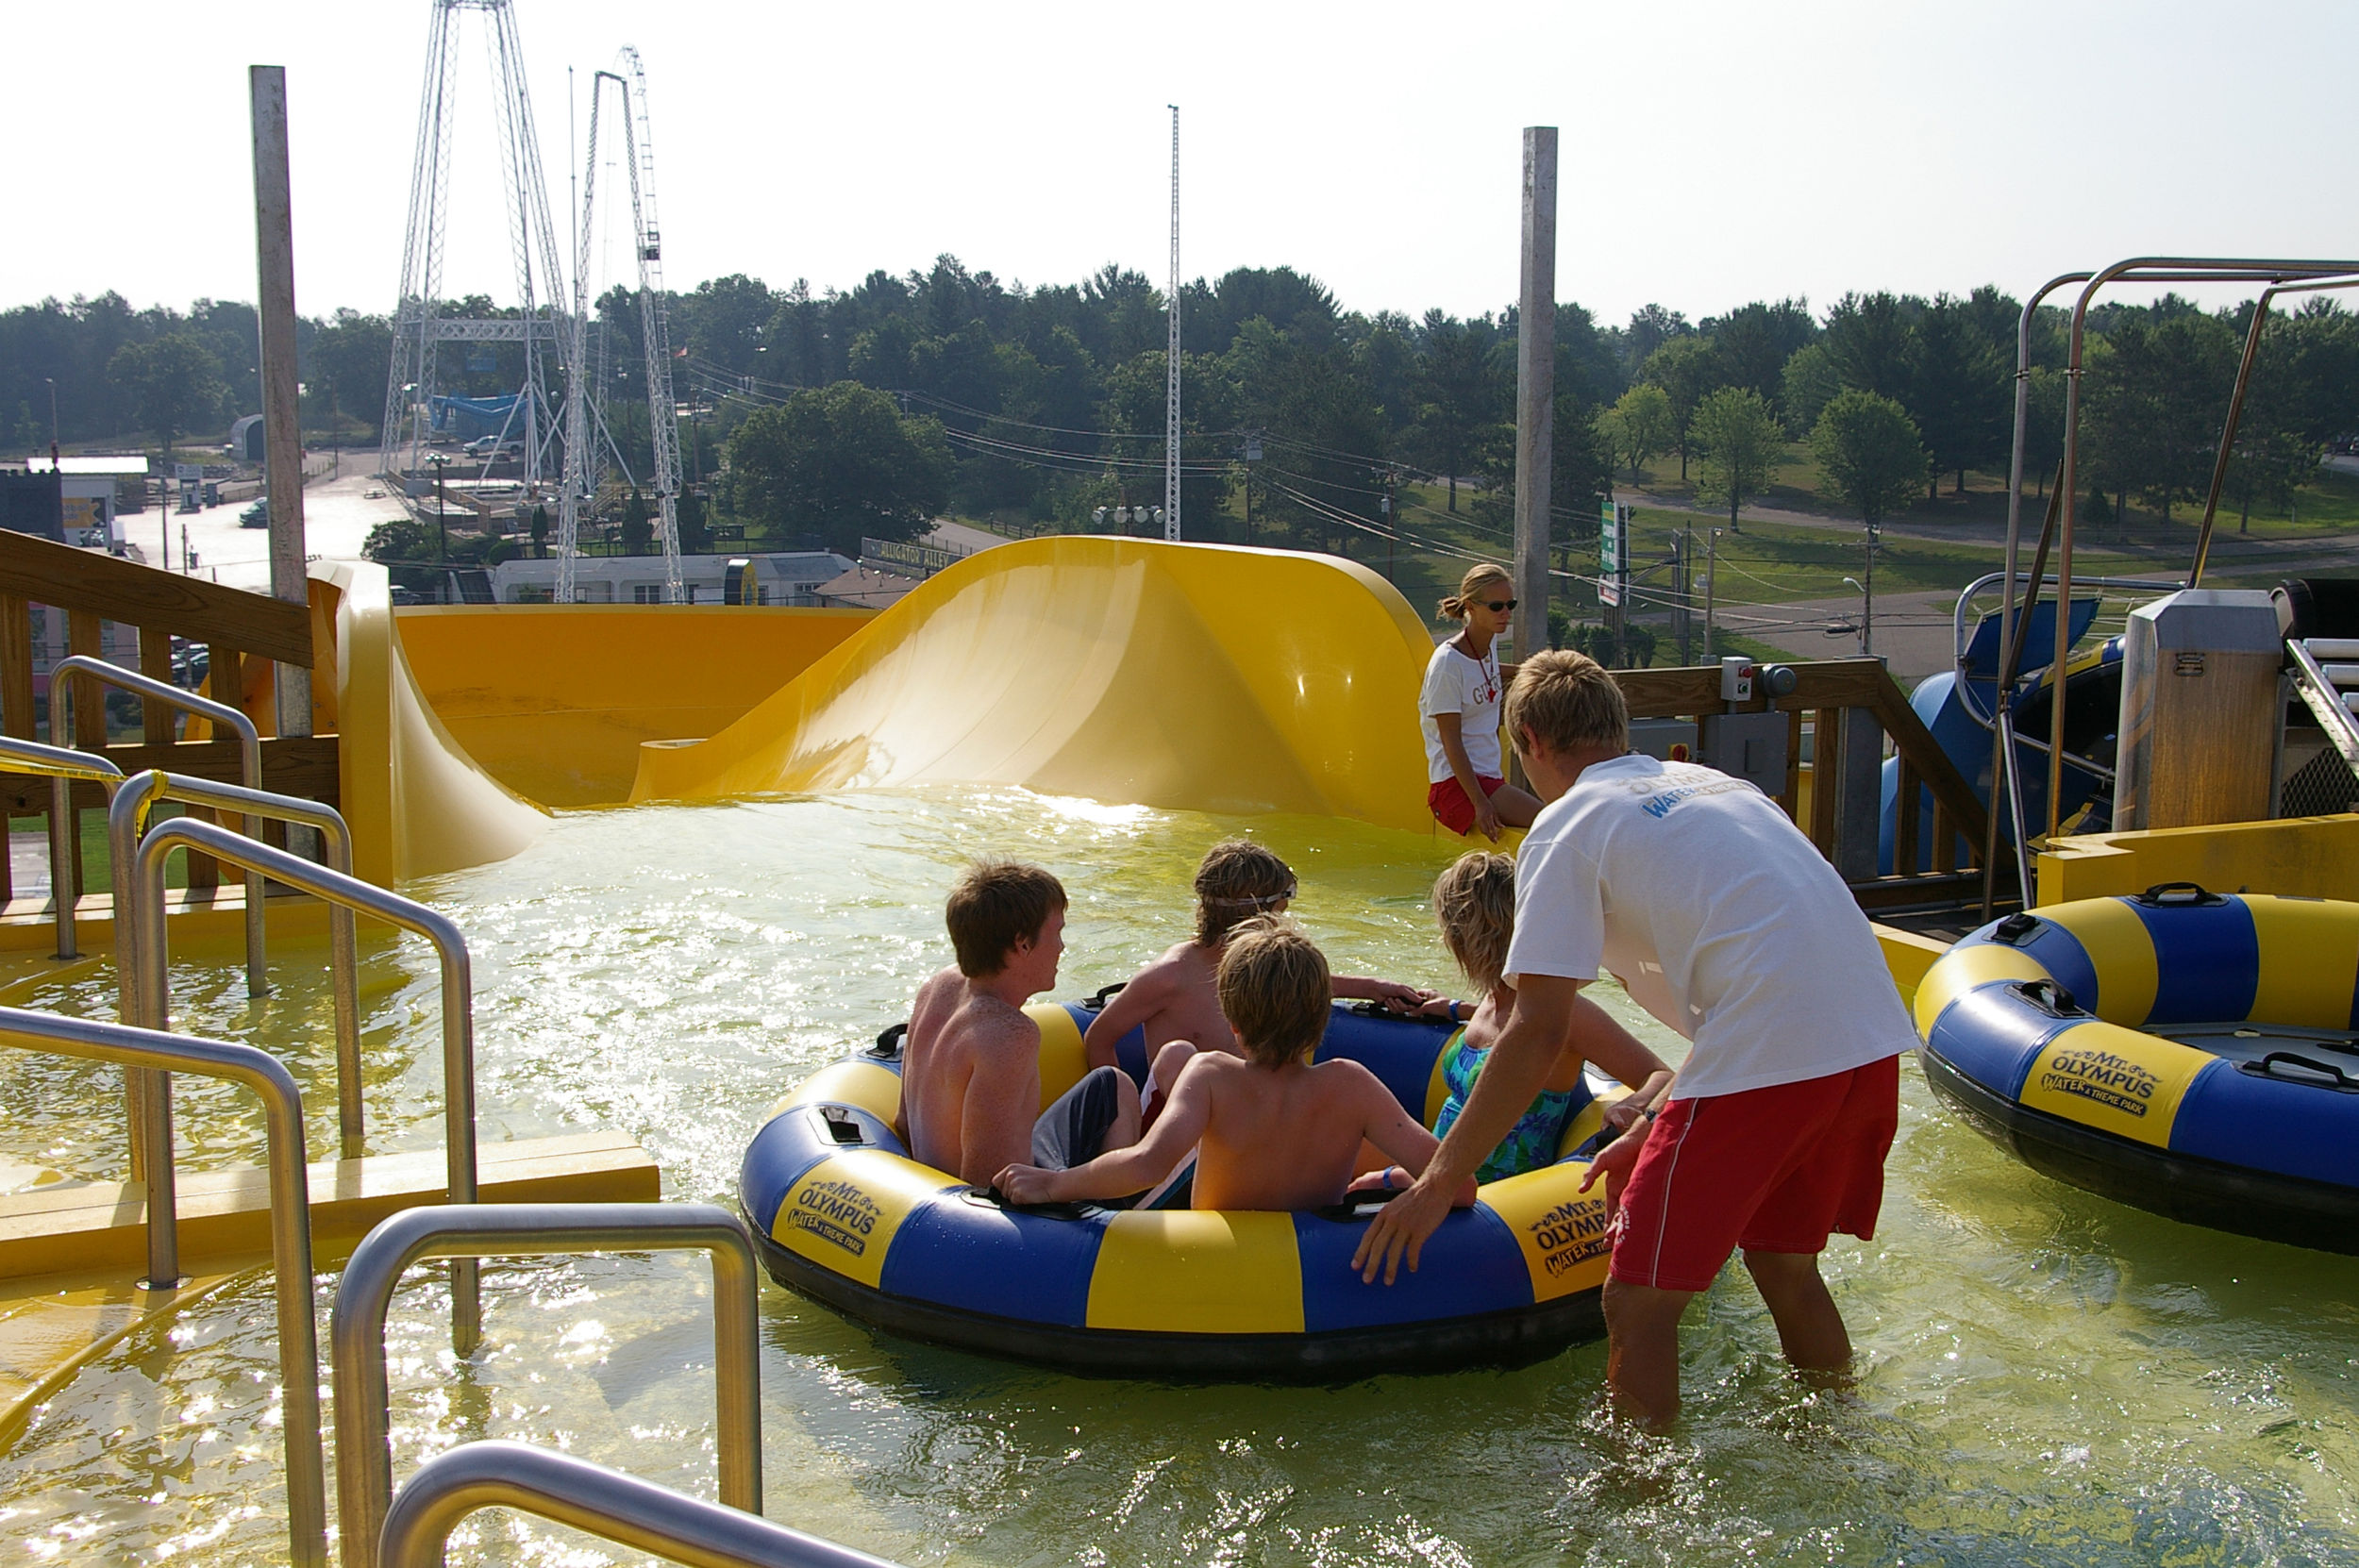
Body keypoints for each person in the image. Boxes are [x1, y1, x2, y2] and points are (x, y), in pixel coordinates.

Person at [1354, 650, 1910, 1429]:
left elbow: (1537, 1027)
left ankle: (1635, 1493)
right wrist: (1655, 1123)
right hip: (1870, 1039)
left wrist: (1440, 1180)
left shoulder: (1567, 825)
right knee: (1784, 1264)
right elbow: (1768, 973)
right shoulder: (1721, 786)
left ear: (1529, 742)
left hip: (1770, 1057)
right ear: (1618, 728)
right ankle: (1835, 1440)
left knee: (1637, 1298)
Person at [997, 918, 1474, 1212]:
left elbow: (1146, 1165)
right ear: (1322, 1022)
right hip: (1313, 1259)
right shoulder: (1352, 1084)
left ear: (1234, 1023)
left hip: (1214, 1257)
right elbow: (1460, 1188)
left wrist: (1054, 1184)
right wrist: (1393, 1189)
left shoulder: (1211, 1076)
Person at [1080, 840, 1437, 1093]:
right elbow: (1099, 1038)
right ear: (1257, 912)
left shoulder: (1260, 969)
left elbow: (1291, 978)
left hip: (1244, 1116)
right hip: (1177, 1124)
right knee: (1179, 1056)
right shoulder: (1170, 976)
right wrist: (1123, 1116)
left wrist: (1372, 988)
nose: (1285, 916)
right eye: (1284, 903)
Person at [1426, 851, 1674, 1181]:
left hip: (1498, 1192)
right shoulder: (1490, 1000)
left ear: (1467, 934)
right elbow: (1509, 1024)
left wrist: (1634, 1105)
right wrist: (1454, 1008)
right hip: (1437, 1171)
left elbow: (1661, 1075)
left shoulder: (1567, 1011)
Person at [896, 859, 1141, 1185]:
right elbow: (991, 1184)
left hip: (924, 1182)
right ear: (1022, 944)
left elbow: (903, 1121)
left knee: (1112, 1084)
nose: (1062, 947)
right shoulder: (1008, 1034)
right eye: (1057, 932)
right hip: (970, 1205)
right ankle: (1117, 1209)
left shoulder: (938, 987)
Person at [1422, 563, 1544, 842]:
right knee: (1550, 820)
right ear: (1471, 607)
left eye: (1510, 604)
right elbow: (1451, 740)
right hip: (1456, 785)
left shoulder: (1487, 645)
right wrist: (1480, 803)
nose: (1506, 613)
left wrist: (1531, 670)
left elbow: (1482, 671)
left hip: (1487, 778)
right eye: (1496, 606)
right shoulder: (1446, 664)